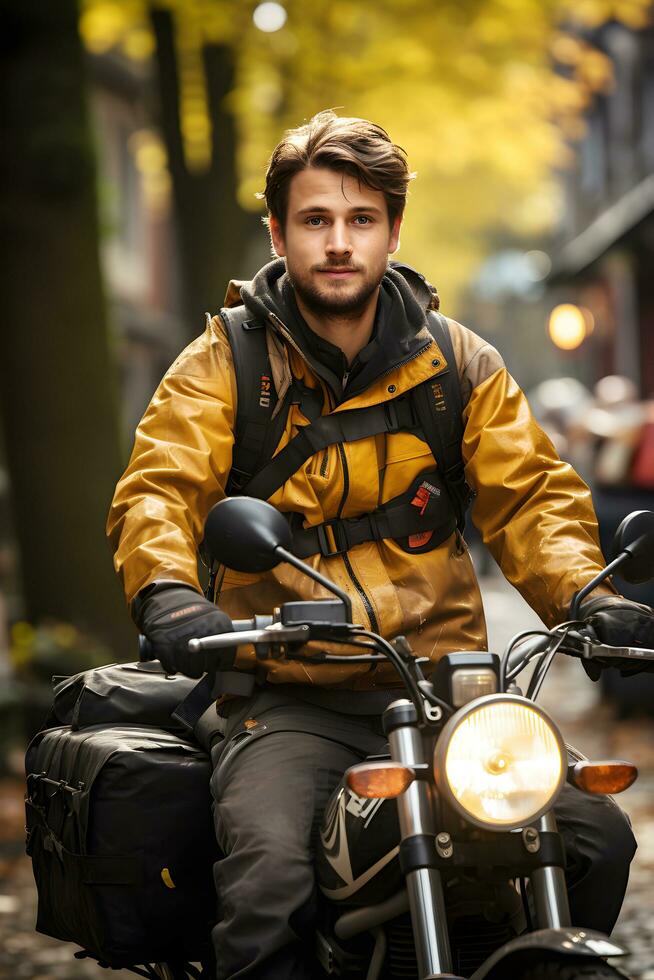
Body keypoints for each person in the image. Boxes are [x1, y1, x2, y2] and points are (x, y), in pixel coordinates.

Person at [107, 111, 652, 980]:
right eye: (316, 220)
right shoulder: (224, 364)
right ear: (279, 232)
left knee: (591, 835)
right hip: (289, 696)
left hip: (446, 697)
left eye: (361, 221)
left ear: (393, 232)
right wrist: (170, 592)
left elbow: (532, 496)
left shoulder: (456, 362)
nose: (338, 243)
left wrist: (591, 597)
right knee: (268, 876)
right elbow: (159, 488)